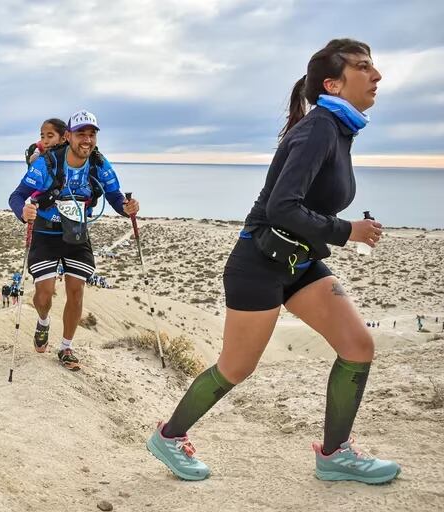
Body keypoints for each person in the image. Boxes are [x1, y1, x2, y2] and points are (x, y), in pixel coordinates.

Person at [146, 39, 399, 485]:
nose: (376, 76)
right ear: (333, 84)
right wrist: (346, 231)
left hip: (298, 264)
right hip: (259, 264)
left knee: (358, 345)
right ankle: (169, 436)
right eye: (363, 68)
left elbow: (305, 205)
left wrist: (341, 228)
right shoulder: (319, 128)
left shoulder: (337, 130)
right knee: (236, 368)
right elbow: (283, 206)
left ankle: (336, 455)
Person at [8, 110, 140, 370]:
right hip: (45, 232)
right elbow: (17, 195)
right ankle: (43, 321)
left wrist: (127, 207)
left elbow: (114, 197)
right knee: (44, 294)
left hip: (76, 232)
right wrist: (23, 212)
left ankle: (66, 348)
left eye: (92, 135)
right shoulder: (47, 163)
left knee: (76, 290)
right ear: (68, 136)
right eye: (81, 134)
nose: (87, 140)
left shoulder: (100, 164)